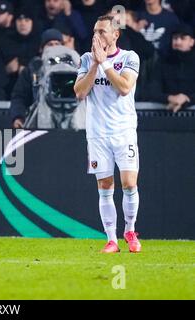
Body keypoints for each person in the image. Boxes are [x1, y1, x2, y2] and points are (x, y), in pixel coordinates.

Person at [73, 15, 142, 253]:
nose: (97, 36)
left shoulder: (129, 57)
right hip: (98, 133)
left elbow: (124, 88)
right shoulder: (85, 59)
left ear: (115, 34)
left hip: (123, 131)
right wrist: (94, 64)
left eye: (102, 31)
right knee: (104, 185)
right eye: (95, 31)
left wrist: (105, 64)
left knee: (129, 183)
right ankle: (111, 239)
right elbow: (80, 93)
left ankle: (130, 230)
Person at [10, 28, 65, 128]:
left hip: (66, 122)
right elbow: (19, 96)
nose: (54, 48)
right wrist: (18, 116)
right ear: (41, 49)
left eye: (57, 44)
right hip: (39, 122)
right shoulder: (32, 70)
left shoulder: (71, 69)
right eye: (49, 44)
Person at [143, 23, 195, 112]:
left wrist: (187, 99)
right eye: (175, 38)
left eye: (183, 38)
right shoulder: (162, 62)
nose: (178, 42)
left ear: (192, 42)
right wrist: (170, 98)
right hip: (165, 114)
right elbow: (151, 90)